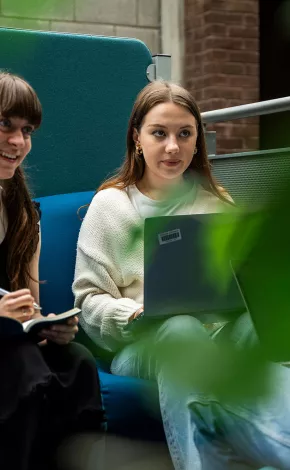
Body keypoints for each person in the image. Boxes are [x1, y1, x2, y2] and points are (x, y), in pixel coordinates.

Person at [73, 80, 290, 469]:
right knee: (182, 330)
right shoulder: (110, 206)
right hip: (145, 345)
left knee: (257, 335)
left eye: (185, 134)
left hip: (221, 334)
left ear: (197, 142)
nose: (173, 147)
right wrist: (134, 315)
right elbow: (88, 301)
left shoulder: (217, 203)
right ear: (137, 139)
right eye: (160, 133)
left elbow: (241, 281)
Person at [0, 71, 105, 470]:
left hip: (11, 343)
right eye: (4, 124)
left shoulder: (25, 214)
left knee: (76, 359)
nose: (17, 142)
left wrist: (50, 326)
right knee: (21, 363)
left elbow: (33, 309)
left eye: (26, 130)